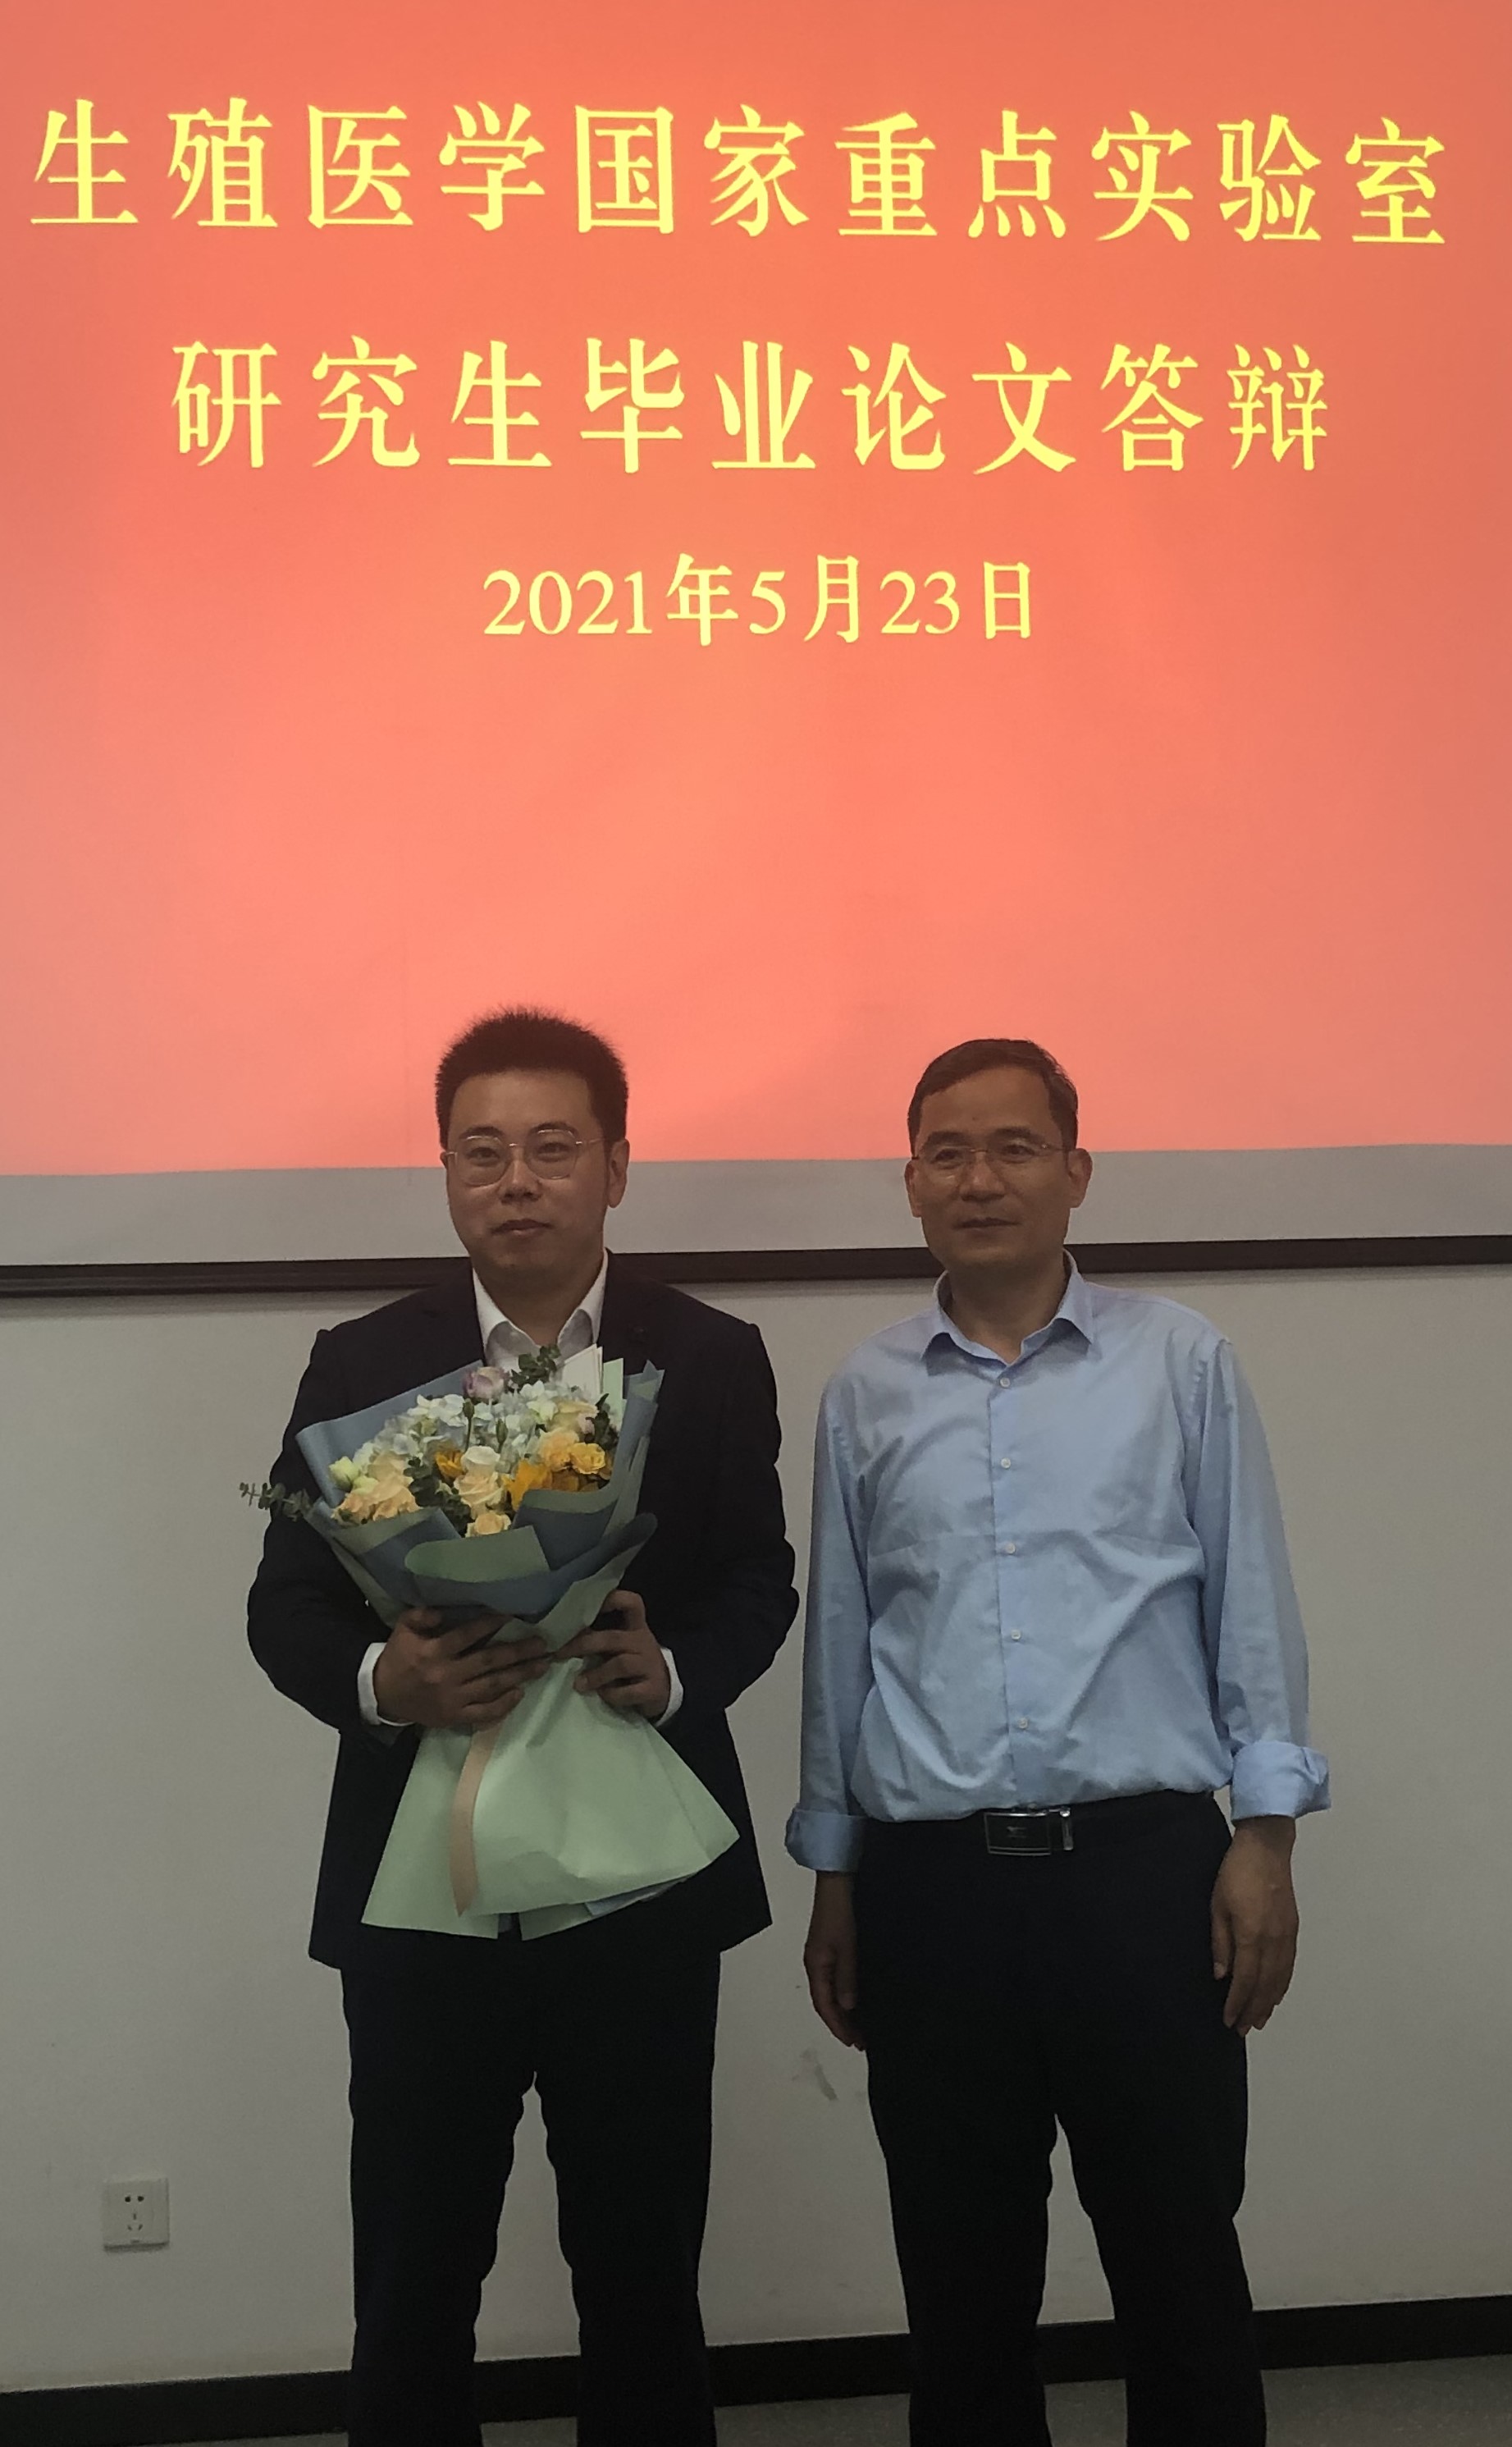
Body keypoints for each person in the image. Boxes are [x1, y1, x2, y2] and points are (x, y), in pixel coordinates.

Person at [249, 1008, 798, 2447]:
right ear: (444, 1170)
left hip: (642, 1884)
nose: (517, 1181)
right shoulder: (363, 1357)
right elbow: (286, 1606)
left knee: (643, 2267)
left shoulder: (713, 1354)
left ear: (617, 1164)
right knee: (414, 2271)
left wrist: (675, 1670)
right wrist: (390, 1683)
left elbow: (760, 1577)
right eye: (481, 1151)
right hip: (424, 1886)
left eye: (553, 1148)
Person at [788, 1036, 1329, 2447]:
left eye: (1015, 1147)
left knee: (1180, 2264)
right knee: (959, 2288)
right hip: (933, 1889)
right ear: (910, 1181)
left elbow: (1250, 1605)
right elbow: (844, 1644)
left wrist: (1265, 1836)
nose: (982, 1178)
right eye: (948, 1152)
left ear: (1077, 1171)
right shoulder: (866, 1392)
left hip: (1145, 1877)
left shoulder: (1180, 1360)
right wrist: (836, 1872)